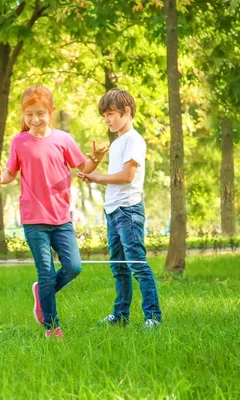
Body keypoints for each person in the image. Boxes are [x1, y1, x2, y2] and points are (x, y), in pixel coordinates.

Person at [0, 85, 108, 338]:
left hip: (61, 217)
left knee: (74, 267)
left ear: (51, 111)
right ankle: (52, 328)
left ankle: (42, 291)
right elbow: (10, 173)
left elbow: (83, 166)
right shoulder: (19, 142)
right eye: (29, 114)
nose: (34, 119)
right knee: (45, 271)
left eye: (40, 113)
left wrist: (96, 158)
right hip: (33, 218)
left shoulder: (63, 139)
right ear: (23, 114)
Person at [77, 88, 162, 328]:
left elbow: (127, 176)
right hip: (113, 210)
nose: (107, 120)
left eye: (111, 114)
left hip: (128, 211)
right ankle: (121, 315)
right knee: (119, 267)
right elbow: (103, 174)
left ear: (127, 111)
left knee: (137, 265)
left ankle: (153, 317)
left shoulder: (134, 140)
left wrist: (98, 178)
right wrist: (94, 167)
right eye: (104, 115)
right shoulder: (117, 143)